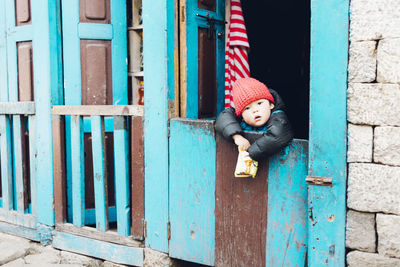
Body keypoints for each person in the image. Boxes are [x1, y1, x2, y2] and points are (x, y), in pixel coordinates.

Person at [215, 77, 294, 161]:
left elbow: (277, 135)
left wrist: (250, 153)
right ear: (242, 116)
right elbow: (223, 118)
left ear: (271, 104)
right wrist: (237, 137)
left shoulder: (278, 118)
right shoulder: (241, 121)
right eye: (247, 108)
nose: (255, 110)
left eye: (259, 103)